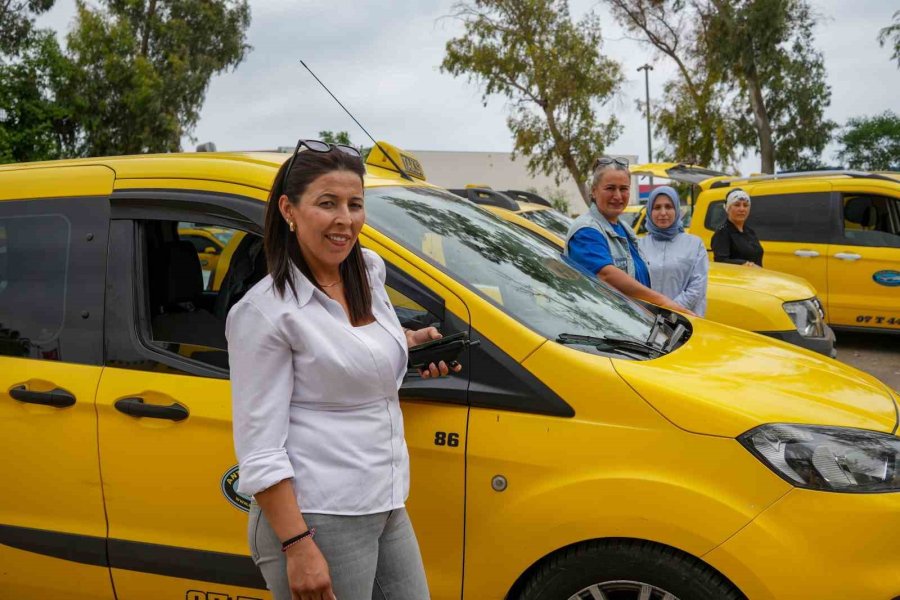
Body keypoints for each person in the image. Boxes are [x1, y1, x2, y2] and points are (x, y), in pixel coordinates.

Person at [226, 140, 458, 600]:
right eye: (327, 203)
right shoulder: (266, 313)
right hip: (318, 516)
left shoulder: (368, 273)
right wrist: (298, 546)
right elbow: (260, 451)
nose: (345, 220)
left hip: (387, 500)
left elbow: (350, 352)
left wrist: (408, 346)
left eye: (355, 204)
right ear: (289, 209)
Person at [565, 157, 694, 315]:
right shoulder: (586, 231)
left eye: (624, 189)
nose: (618, 196)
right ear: (594, 191)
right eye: (610, 188)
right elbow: (606, 275)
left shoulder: (625, 228)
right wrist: (663, 302)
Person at [637, 186, 709, 317]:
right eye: (657, 207)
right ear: (649, 211)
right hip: (647, 320)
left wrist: (668, 311)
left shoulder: (694, 244)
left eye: (668, 207)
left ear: (676, 209)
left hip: (685, 321)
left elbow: (697, 287)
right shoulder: (639, 245)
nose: (663, 213)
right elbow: (635, 284)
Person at [710, 188, 764, 267]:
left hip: (755, 277)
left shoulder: (750, 232)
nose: (742, 209)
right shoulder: (722, 233)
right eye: (737, 205)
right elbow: (721, 262)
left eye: (745, 205)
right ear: (728, 208)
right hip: (737, 278)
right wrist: (744, 264)